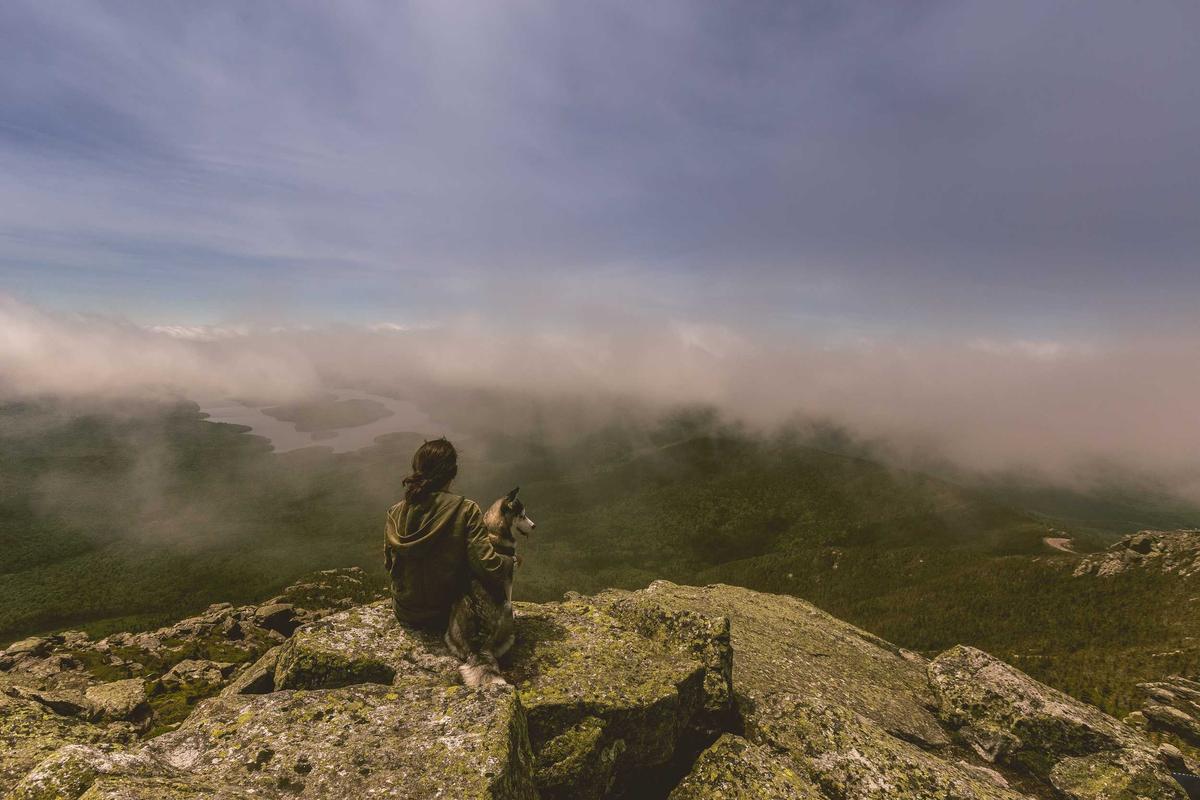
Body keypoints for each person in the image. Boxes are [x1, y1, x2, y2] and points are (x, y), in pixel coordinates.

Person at [384, 438, 513, 629]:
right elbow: (488, 567)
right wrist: (510, 561)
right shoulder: (466, 509)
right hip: (449, 614)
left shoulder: (395, 512)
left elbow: (389, 564)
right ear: (453, 472)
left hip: (405, 610)